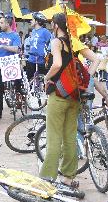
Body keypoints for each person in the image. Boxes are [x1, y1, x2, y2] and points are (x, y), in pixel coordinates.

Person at [40, 13, 100, 188]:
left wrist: (46, 78)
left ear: (56, 26)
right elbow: (96, 59)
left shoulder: (56, 42)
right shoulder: (75, 42)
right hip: (74, 96)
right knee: (70, 137)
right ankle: (68, 176)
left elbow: (57, 64)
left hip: (58, 95)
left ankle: (48, 177)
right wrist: (86, 78)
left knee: (54, 137)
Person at [0, 15, 21, 119]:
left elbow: (16, 49)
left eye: (2, 23)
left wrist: (2, 46)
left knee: (17, 83)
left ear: (8, 24)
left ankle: (19, 97)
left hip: (10, 64)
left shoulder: (15, 36)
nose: (0, 24)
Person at [26, 12, 50, 78]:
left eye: (32, 19)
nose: (30, 21)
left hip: (41, 61)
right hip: (31, 60)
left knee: (42, 81)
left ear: (36, 21)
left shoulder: (45, 31)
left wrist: (47, 56)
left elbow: (50, 44)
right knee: (30, 81)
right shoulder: (33, 31)